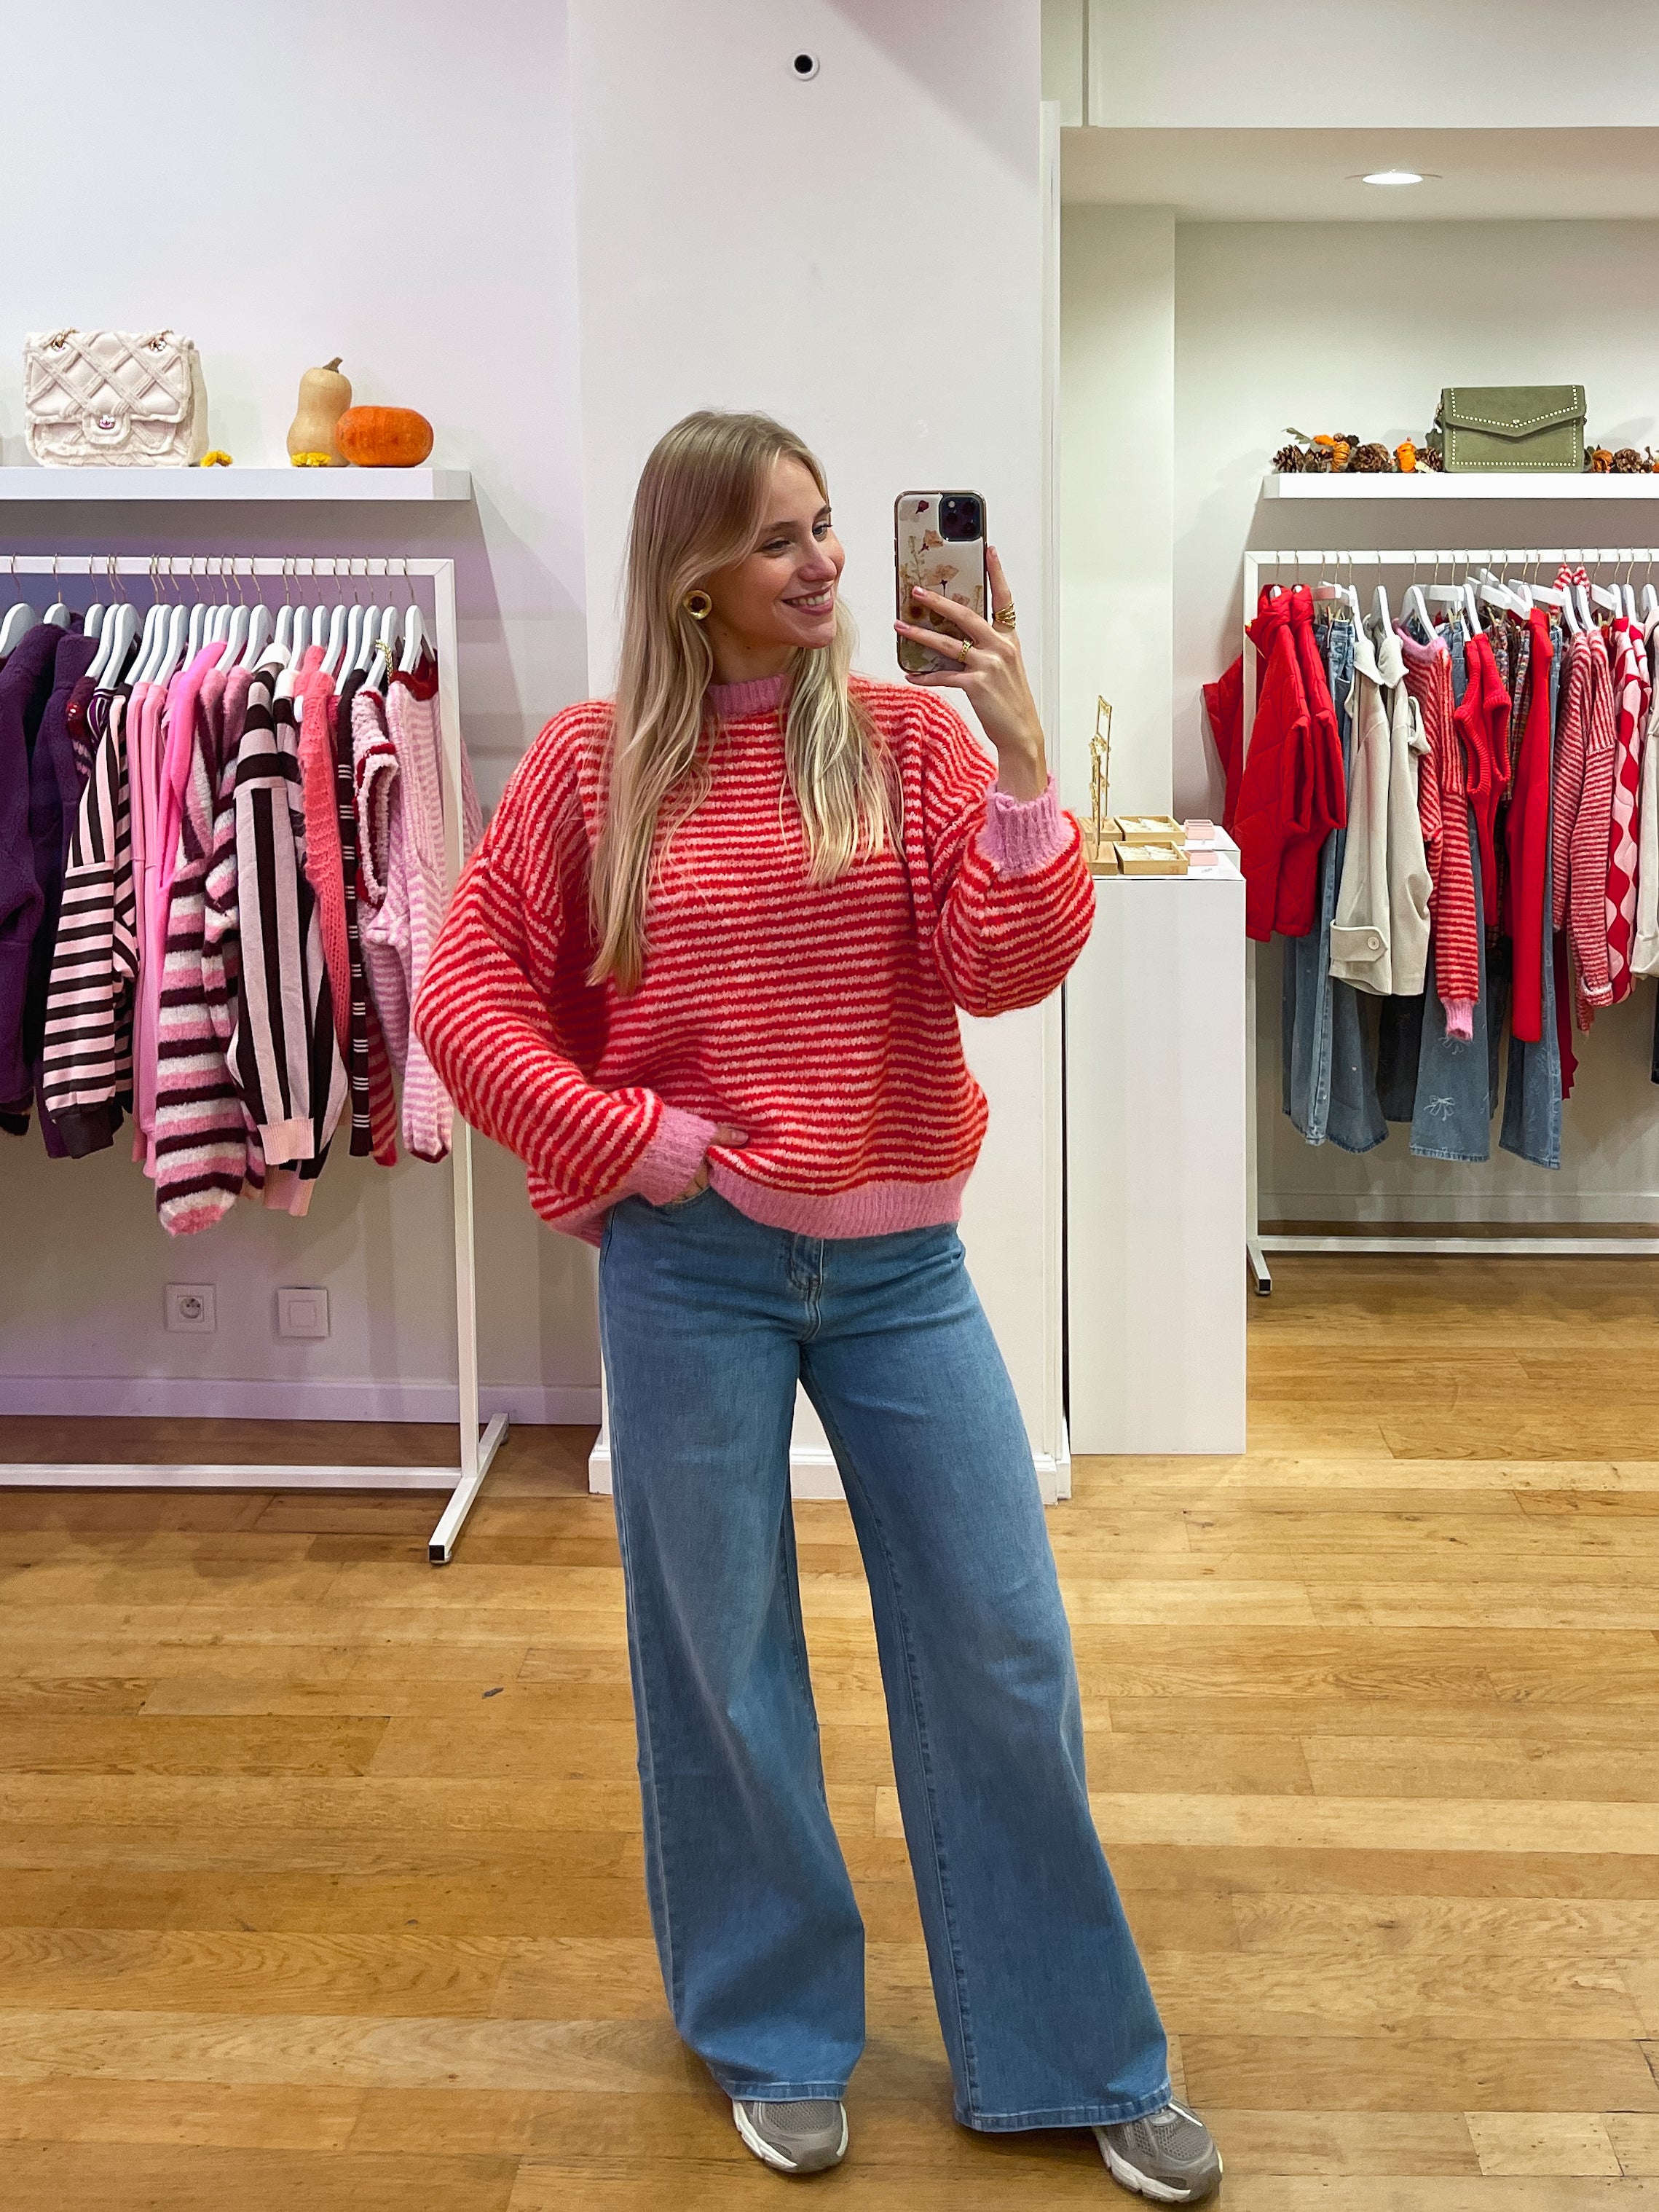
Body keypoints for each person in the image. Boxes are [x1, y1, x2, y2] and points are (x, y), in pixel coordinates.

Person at [414, 410, 1222, 2203]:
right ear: (690, 572)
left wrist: (1022, 761)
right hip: (690, 1268)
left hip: (899, 1273)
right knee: (723, 1662)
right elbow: (464, 1009)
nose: (827, 564)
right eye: (779, 539)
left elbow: (1006, 971)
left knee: (1002, 1649)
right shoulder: (588, 766)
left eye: (830, 528)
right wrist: (633, 1138)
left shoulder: (913, 744)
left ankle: (1070, 2048)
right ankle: (774, 2027)